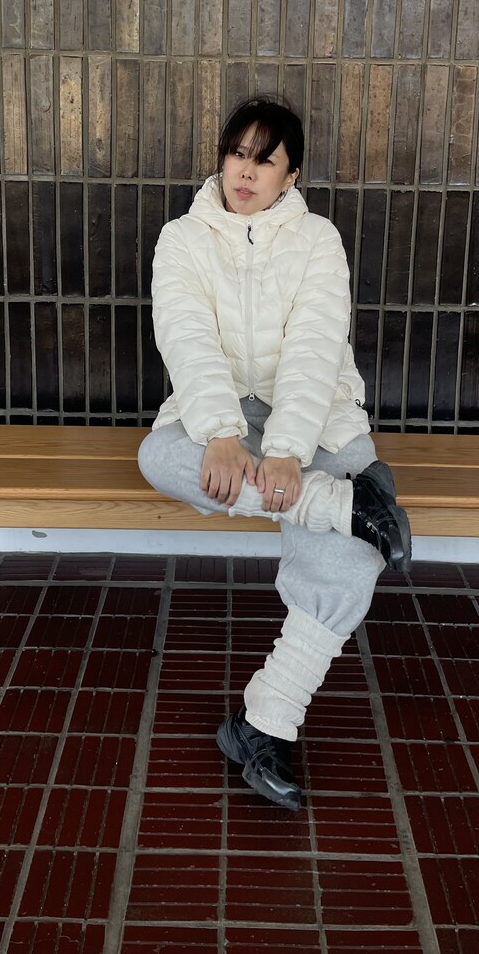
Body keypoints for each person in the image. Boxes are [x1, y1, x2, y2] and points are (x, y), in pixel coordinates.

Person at [137, 96, 410, 812]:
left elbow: (315, 346)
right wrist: (223, 433)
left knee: (350, 559)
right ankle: (343, 505)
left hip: (317, 419)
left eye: (265, 160)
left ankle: (265, 722)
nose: (245, 172)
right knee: (160, 456)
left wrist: (287, 451)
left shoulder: (318, 240)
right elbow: (186, 336)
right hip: (223, 418)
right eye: (237, 154)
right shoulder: (181, 239)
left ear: (291, 176)